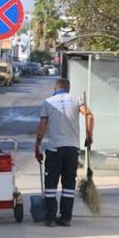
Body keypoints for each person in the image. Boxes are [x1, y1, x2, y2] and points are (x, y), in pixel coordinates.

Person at [34, 78, 94, 227]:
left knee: (51, 185)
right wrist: (89, 136)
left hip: (54, 148)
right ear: (68, 89)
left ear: (56, 88)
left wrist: (38, 145)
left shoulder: (48, 102)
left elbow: (42, 125)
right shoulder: (76, 100)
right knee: (68, 184)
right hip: (72, 149)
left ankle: (50, 217)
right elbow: (89, 115)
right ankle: (66, 217)